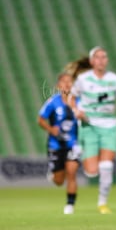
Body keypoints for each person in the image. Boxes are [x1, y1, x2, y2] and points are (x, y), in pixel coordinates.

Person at [70, 46, 116, 214]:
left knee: (106, 166)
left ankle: (102, 203)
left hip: (109, 126)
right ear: (91, 61)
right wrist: (77, 111)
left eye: (104, 57)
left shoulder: (114, 79)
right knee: (91, 171)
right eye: (98, 57)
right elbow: (71, 98)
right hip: (89, 125)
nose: (101, 60)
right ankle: (80, 150)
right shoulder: (83, 79)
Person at [38, 73, 81, 214]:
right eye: (64, 82)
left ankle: (70, 205)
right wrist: (51, 129)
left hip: (73, 144)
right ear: (58, 86)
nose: (67, 84)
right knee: (58, 181)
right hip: (55, 145)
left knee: (72, 172)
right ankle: (53, 174)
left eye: (70, 82)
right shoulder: (53, 101)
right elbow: (40, 119)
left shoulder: (79, 101)